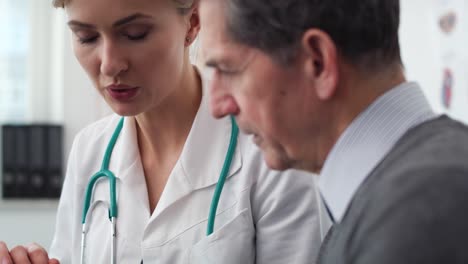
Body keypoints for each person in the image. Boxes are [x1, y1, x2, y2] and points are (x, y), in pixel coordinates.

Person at [0, 0, 322, 263]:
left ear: (193, 22)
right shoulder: (89, 151)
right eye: (86, 37)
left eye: (135, 33)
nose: (110, 65)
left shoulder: (273, 156)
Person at [199, 0, 468, 263]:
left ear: (317, 62)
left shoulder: (412, 228)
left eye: (227, 69)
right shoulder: (422, 191)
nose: (218, 106)